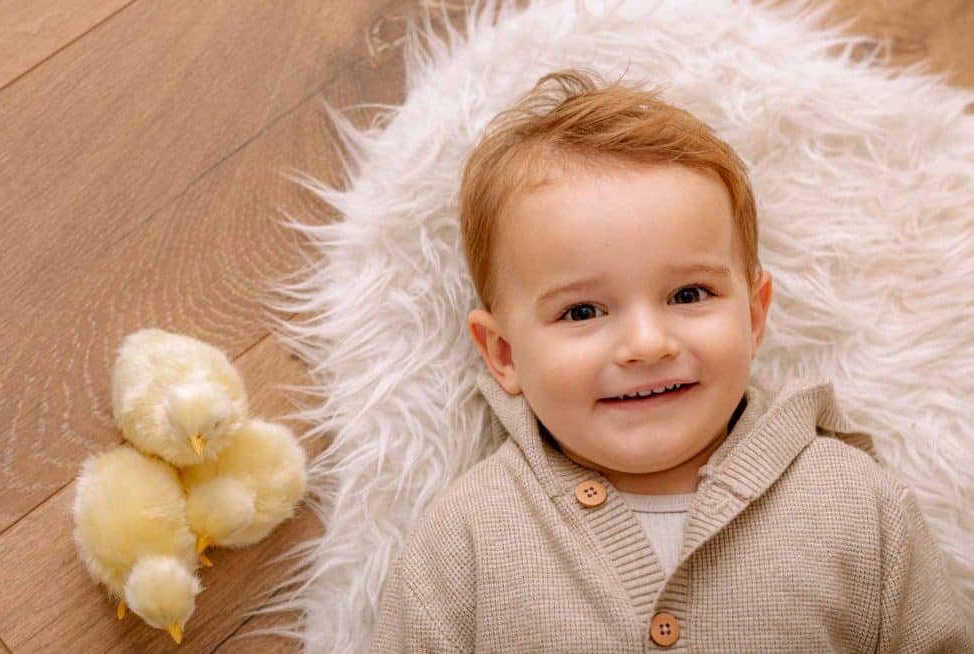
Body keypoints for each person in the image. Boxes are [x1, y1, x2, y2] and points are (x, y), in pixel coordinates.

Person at [369, 68, 972, 652]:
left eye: (688, 296)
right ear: (504, 355)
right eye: (582, 311)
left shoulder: (857, 503)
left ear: (753, 317)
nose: (648, 344)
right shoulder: (466, 537)